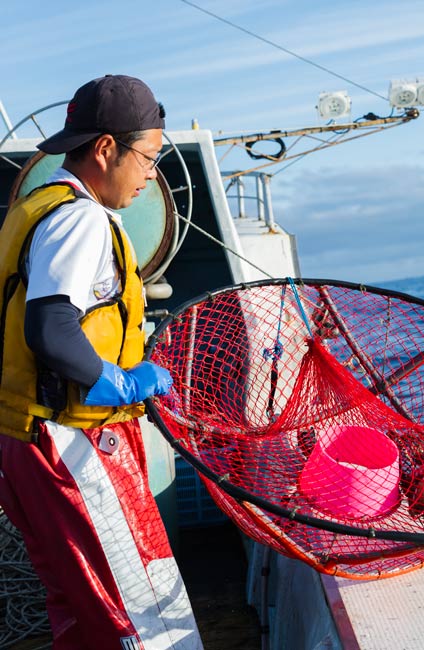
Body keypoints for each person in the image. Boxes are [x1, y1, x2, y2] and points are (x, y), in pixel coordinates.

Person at [0, 75, 203, 649]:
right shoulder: (81, 219)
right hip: (74, 444)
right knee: (142, 618)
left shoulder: (39, 207)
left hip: (27, 438)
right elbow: (51, 329)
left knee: (80, 611)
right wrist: (119, 381)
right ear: (106, 149)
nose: (151, 175)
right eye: (148, 157)